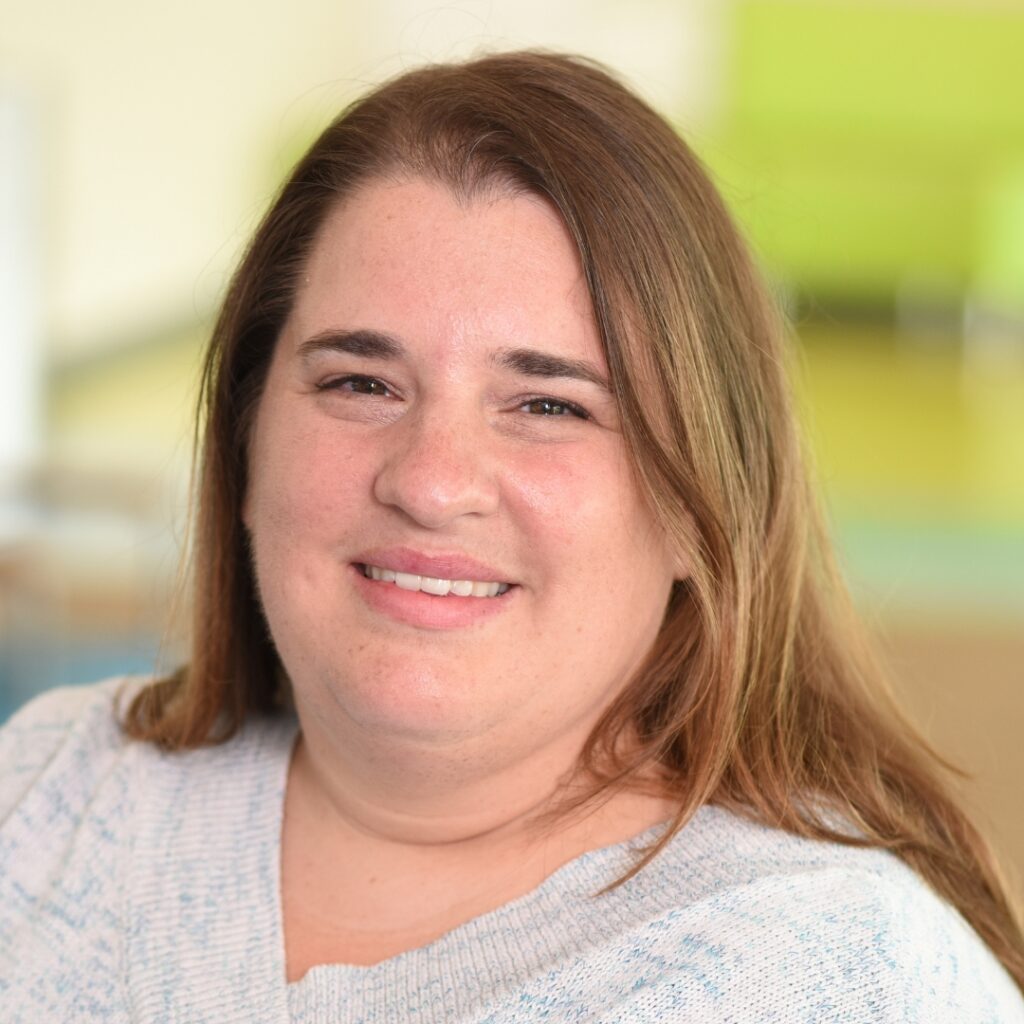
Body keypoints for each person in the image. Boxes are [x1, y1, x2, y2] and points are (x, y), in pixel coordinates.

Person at [1, 51, 1022, 1023]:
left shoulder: (833, 972)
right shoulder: (50, 786)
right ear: (244, 444)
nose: (431, 482)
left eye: (549, 404)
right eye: (360, 382)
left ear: (701, 506)